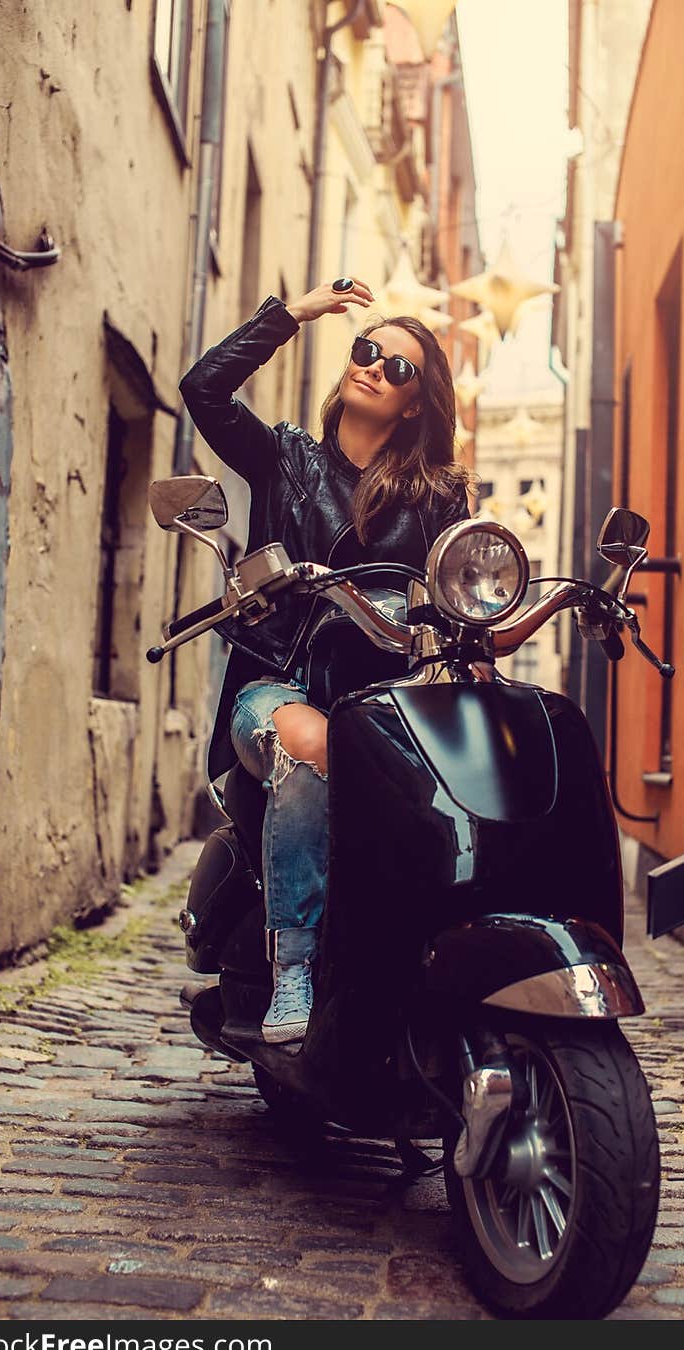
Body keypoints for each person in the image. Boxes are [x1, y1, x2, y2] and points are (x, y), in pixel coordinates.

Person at [179, 278, 471, 1044]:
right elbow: (202, 389)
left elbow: (459, 591)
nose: (372, 366)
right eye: (366, 351)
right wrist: (291, 314)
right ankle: (293, 974)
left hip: (385, 707)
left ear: (415, 403)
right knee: (310, 747)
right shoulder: (285, 458)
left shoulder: (438, 496)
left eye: (397, 367)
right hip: (275, 684)